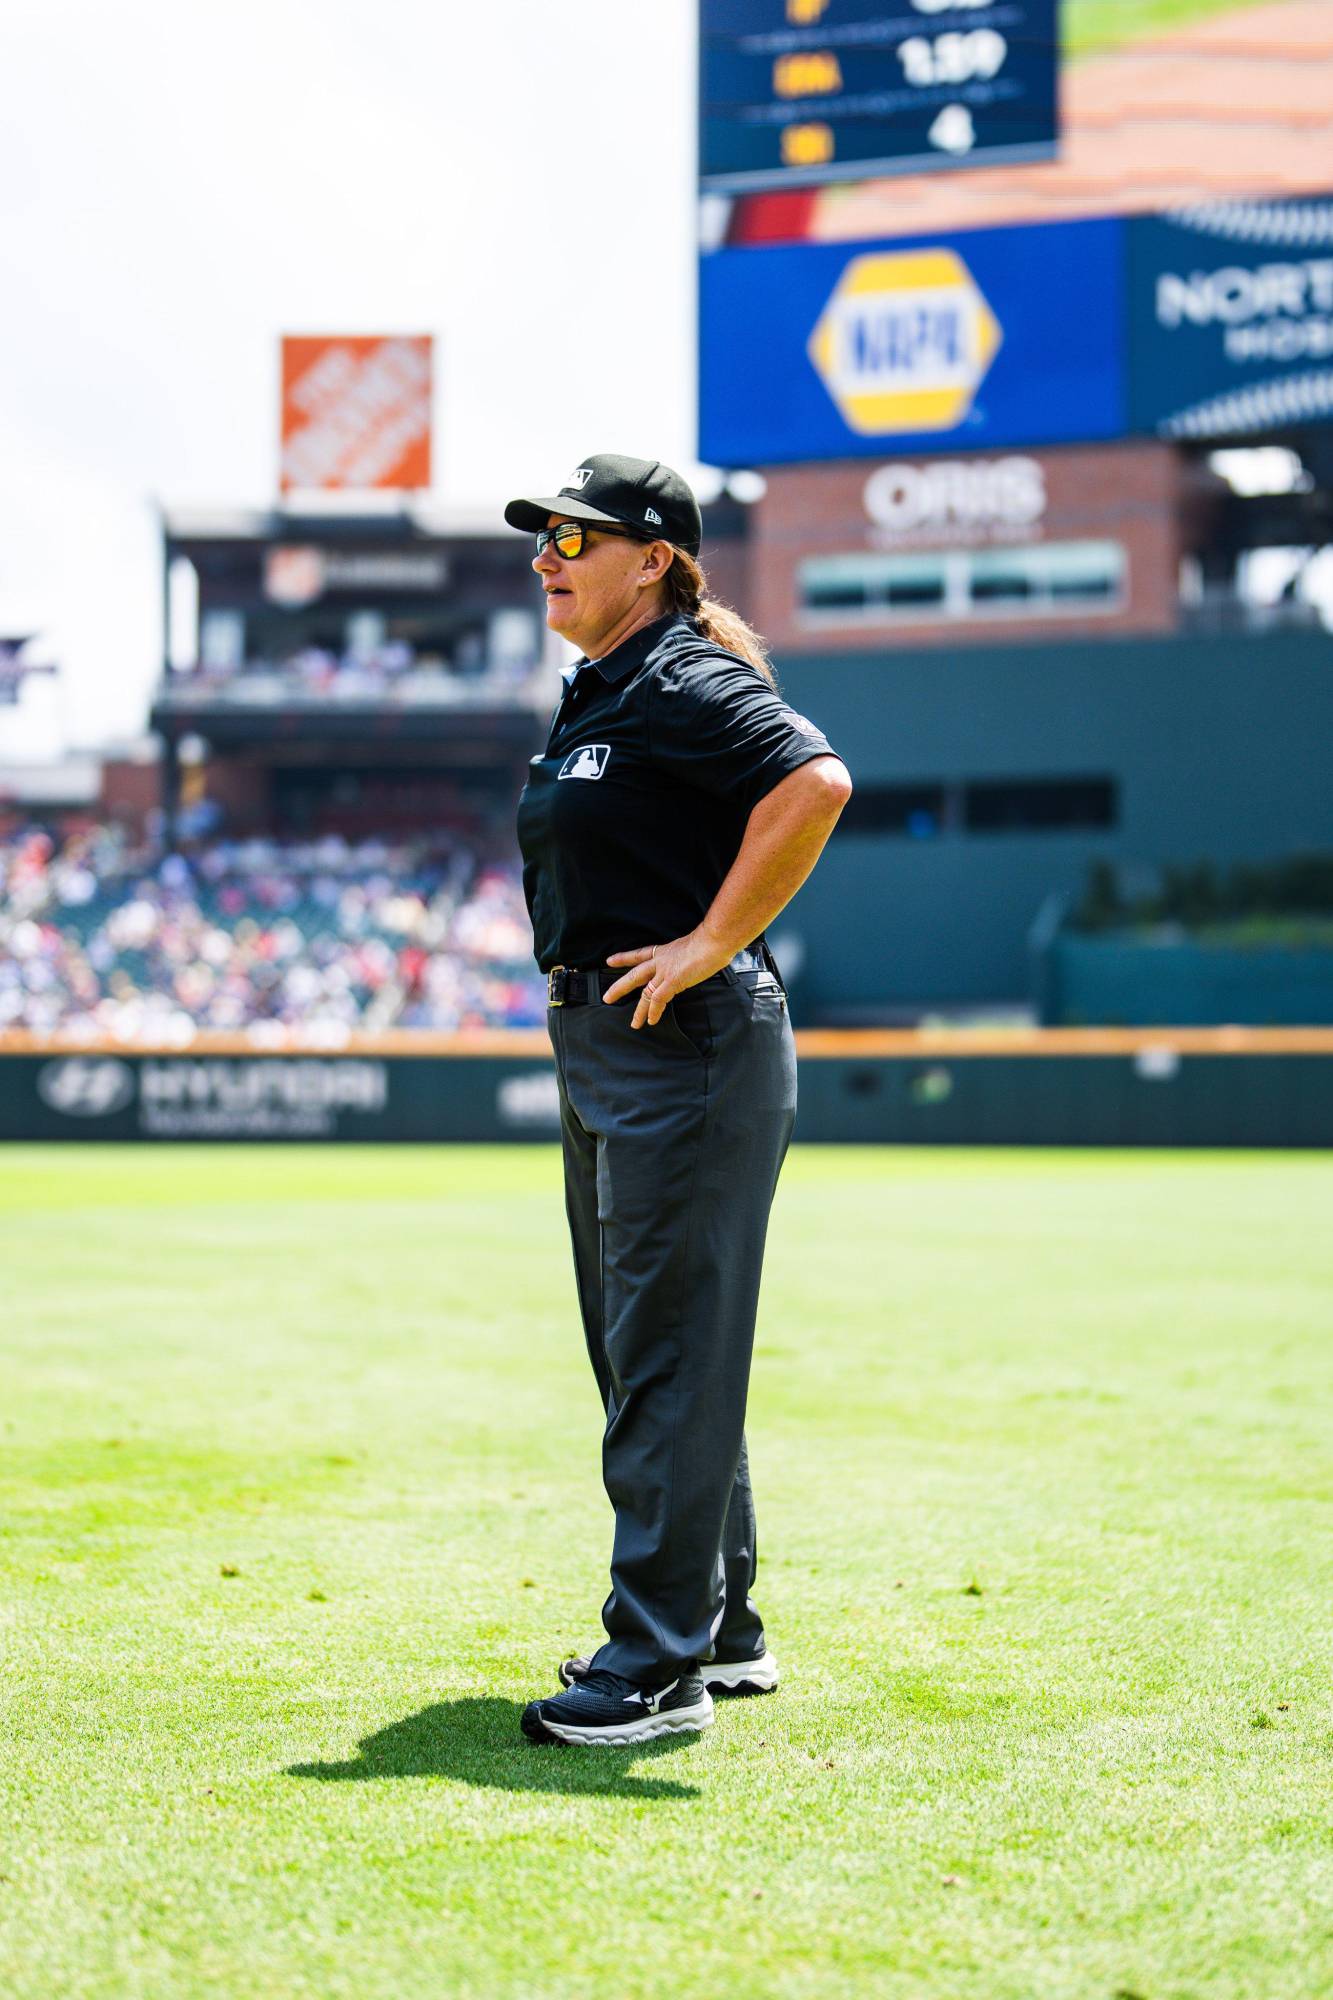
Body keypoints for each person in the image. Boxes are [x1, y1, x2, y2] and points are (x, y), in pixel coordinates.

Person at [507, 454, 851, 1746]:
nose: (547, 553)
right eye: (541, 536)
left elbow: (813, 782)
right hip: (617, 1042)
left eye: (575, 537)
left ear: (653, 558)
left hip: (682, 1040)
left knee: (659, 1356)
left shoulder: (681, 674)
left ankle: (653, 1669)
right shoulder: (607, 684)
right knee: (656, 1353)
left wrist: (711, 939)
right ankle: (717, 1628)